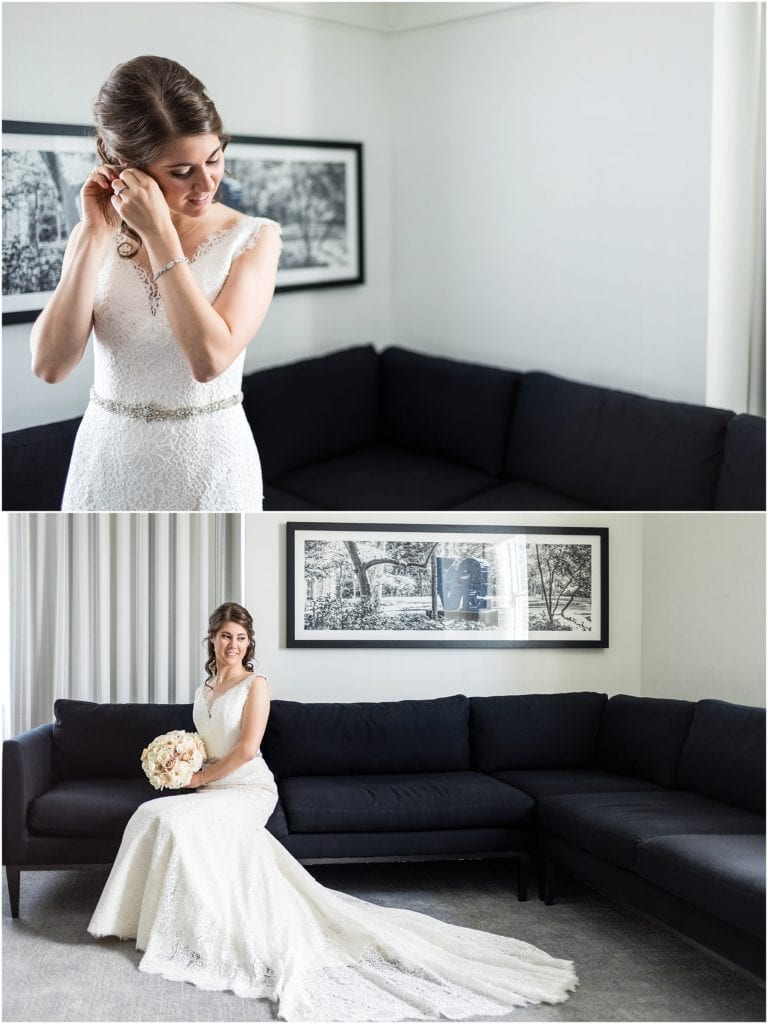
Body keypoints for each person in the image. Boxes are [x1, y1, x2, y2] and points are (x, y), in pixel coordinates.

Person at [88, 602, 578, 1021]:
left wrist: (195, 779)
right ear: (211, 641)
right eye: (223, 637)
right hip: (211, 787)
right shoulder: (203, 689)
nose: (231, 645)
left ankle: (199, 930)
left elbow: (245, 751)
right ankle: (151, 924)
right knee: (151, 813)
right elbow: (208, 744)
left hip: (247, 789)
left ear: (249, 643)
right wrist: (182, 763)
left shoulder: (255, 684)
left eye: (240, 637)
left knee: (170, 818)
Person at [30, 56, 281, 511]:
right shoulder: (92, 235)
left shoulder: (254, 238)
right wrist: (92, 234)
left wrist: (161, 237)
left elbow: (209, 361)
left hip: (207, 468)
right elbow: (50, 366)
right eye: (181, 171)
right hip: (105, 462)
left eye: (214, 158)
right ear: (131, 168)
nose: (206, 183)